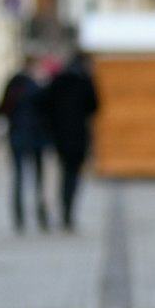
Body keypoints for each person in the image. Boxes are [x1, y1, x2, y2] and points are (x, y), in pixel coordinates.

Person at [42, 53, 100, 231]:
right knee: (74, 174)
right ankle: (69, 208)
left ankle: (64, 205)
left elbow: (45, 104)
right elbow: (95, 106)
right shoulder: (84, 80)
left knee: (64, 172)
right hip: (79, 134)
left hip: (60, 135)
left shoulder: (57, 81)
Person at [0, 57, 51, 232]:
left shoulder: (13, 84)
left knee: (19, 176)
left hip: (17, 134)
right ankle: (40, 212)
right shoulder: (37, 86)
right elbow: (46, 111)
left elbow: (3, 108)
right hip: (36, 136)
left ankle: (19, 215)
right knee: (38, 178)